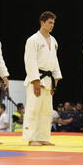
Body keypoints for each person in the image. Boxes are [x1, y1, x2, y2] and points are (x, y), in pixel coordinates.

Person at [23, 11, 62, 146]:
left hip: (48, 79)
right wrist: (35, 81)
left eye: (53, 23)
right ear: (42, 23)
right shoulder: (33, 40)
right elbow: (30, 61)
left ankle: (43, 137)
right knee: (33, 109)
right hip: (37, 78)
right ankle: (31, 137)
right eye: (50, 22)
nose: (52, 25)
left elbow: (54, 60)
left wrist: (56, 78)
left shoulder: (53, 40)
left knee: (46, 110)